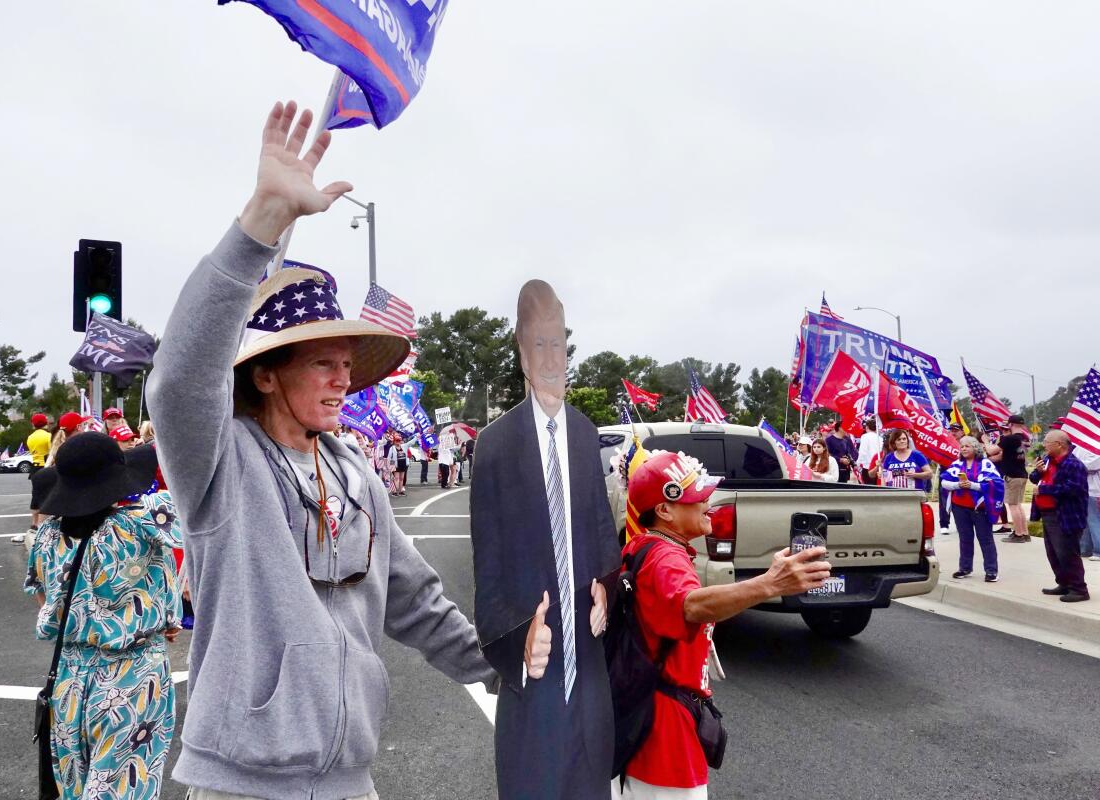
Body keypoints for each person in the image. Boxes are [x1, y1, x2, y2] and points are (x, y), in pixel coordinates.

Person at [145, 101, 496, 800]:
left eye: (348, 364)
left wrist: (505, 667)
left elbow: (414, 600)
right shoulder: (220, 465)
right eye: (323, 365)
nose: (344, 380)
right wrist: (260, 224)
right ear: (266, 373)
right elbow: (182, 379)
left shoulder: (355, 468)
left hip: (349, 780)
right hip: (240, 784)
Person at [471, 279, 621, 800]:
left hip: (590, 675)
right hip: (534, 678)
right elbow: (486, 575)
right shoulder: (494, 446)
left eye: (558, 342)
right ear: (521, 350)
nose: (551, 356)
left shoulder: (584, 434)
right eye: (539, 343)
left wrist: (606, 584)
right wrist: (515, 640)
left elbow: (603, 531)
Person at [615, 450, 832, 799]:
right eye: (697, 496)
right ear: (665, 510)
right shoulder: (665, 557)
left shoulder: (647, 546)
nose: (708, 502)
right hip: (665, 738)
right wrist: (770, 584)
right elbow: (690, 605)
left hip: (650, 718)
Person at [25, 433, 182, 799]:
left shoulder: (47, 536)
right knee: (125, 784)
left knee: (74, 785)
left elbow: (44, 598)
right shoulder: (142, 523)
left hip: (69, 676)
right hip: (133, 673)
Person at [1030, 430, 1090, 602]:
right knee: (1054, 553)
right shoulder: (1049, 460)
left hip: (1065, 515)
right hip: (1048, 514)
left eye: (1047, 442)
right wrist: (1039, 471)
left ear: (1060, 444)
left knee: (1067, 553)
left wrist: (1044, 490)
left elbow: (1073, 489)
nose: (1044, 445)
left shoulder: (1073, 464)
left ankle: (1079, 589)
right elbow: (1034, 478)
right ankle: (1064, 583)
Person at [940, 436, 1004, 582]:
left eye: (967, 446)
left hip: (979, 508)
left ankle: (991, 571)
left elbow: (997, 484)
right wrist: (957, 485)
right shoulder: (956, 464)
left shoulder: (986, 464)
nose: (963, 449)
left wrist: (973, 486)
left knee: (985, 540)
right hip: (959, 507)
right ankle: (965, 568)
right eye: (962, 446)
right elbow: (944, 481)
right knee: (965, 539)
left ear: (975, 448)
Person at [17, 412, 53, 544]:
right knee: (48, 495)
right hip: (46, 467)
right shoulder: (48, 436)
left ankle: (34, 523)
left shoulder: (30, 438)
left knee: (36, 495)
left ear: (33, 424)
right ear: (45, 423)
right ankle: (43, 523)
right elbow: (52, 453)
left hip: (35, 468)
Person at [996, 414, 1033, 543]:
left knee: (1012, 505)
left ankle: (1018, 534)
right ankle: (1024, 532)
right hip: (1022, 473)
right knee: (1018, 504)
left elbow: (992, 450)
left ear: (1010, 425)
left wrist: (984, 442)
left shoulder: (1009, 439)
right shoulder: (1025, 438)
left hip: (1012, 475)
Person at [938, 423, 967, 533]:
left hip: (962, 473)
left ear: (962, 432)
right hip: (946, 472)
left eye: (956, 430)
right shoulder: (944, 443)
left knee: (961, 497)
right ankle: (944, 524)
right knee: (943, 498)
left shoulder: (966, 444)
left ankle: (962, 523)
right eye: (951, 430)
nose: (953, 432)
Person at [1076, 447, 1100, 561]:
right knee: (1085, 521)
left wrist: (1076, 465)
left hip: (1095, 491)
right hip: (1084, 490)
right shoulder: (1080, 448)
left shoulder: (1096, 449)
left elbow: (1089, 466)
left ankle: (1098, 551)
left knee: (1093, 521)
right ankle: (1085, 549)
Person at [856, 418, 883, 486]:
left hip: (868, 467)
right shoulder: (880, 438)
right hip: (877, 466)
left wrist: (858, 463)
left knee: (868, 488)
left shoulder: (865, 436)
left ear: (867, 427)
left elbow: (862, 451)